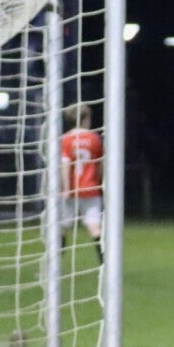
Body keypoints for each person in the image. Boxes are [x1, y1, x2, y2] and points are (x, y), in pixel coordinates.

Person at [60, 103, 105, 264]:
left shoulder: (66, 139)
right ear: (85, 119)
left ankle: (53, 266)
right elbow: (100, 164)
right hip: (91, 188)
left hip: (72, 190)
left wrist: (65, 188)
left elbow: (65, 164)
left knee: (62, 228)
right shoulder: (95, 138)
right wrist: (99, 181)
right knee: (95, 227)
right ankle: (105, 264)